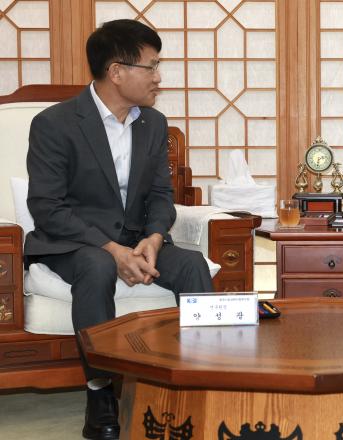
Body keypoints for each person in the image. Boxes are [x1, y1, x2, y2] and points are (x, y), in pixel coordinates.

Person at [25, 20, 213, 440]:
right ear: (116, 72)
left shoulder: (153, 124)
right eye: (151, 66)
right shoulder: (55, 124)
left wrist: (154, 238)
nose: (158, 77)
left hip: (137, 238)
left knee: (192, 265)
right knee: (97, 266)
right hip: (74, 242)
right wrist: (112, 250)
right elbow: (47, 207)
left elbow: (161, 196)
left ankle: (203, 381)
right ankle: (101, 396)